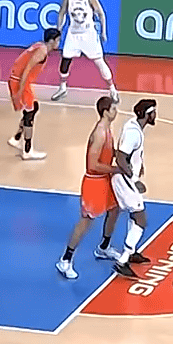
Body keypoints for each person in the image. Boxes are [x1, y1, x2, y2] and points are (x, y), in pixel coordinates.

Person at [56, 96, 123, 280]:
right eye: (113, 109)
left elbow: (109, 153)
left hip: (105, 179)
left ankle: (104, 248)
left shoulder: (107, 129)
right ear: (106, 112)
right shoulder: (100, 133)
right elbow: (93, 165)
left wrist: (123, 158)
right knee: (86, 221)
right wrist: (116, 169)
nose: (116, 112)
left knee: (115, 209)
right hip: (95, 182)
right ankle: (65, 260)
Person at [50, 0, 118, 103]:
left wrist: (103, 32)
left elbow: (101, 14)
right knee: (65, 59)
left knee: (99, 62)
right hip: (73, 33)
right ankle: (62, 88)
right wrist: (59, 29)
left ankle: (113, 90)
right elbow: (61, 13)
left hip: (88, 34)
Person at [111, 99, 157, 278]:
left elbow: (130, 154)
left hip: (125, 178)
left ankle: (131, 252)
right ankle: (123, 260)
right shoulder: (133, 133)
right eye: (153, 112)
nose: (155, 115)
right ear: (147, 114)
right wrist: (134, 179)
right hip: (125, 180)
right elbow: (121, 157)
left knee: (134, 214)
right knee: (141, 219)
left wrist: (139, 163)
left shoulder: (134, 125)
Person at [7, 28, 61, 161]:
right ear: (52, 41)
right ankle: (27, 151)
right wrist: (20, 90)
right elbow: (27, 69)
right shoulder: (42, 52)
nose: (59, 43)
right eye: (58, 40)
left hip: (19, 80)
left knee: (33, 108)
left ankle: (16, 139)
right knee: (30, 112)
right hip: (20, 81)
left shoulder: (39, 46)